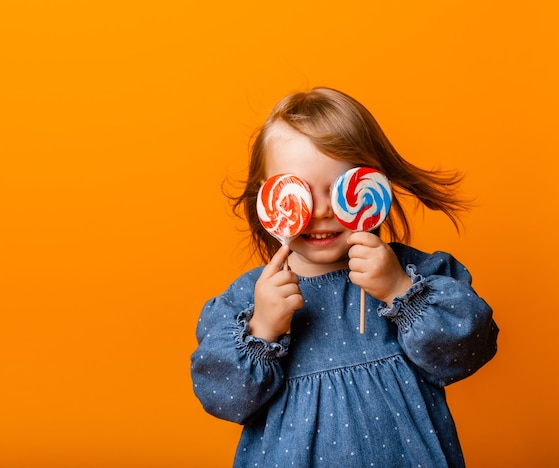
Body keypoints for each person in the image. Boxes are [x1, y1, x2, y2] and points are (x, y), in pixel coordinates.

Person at [191, 87, 499, 467]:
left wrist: (401, 291)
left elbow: (468, 351)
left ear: (374, 187)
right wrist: (262, 330)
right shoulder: (246, 301)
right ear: (266, 200)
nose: (321, 211)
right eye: (299, 193)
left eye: (339, 189)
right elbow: (222, 398)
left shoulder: (417, 276)